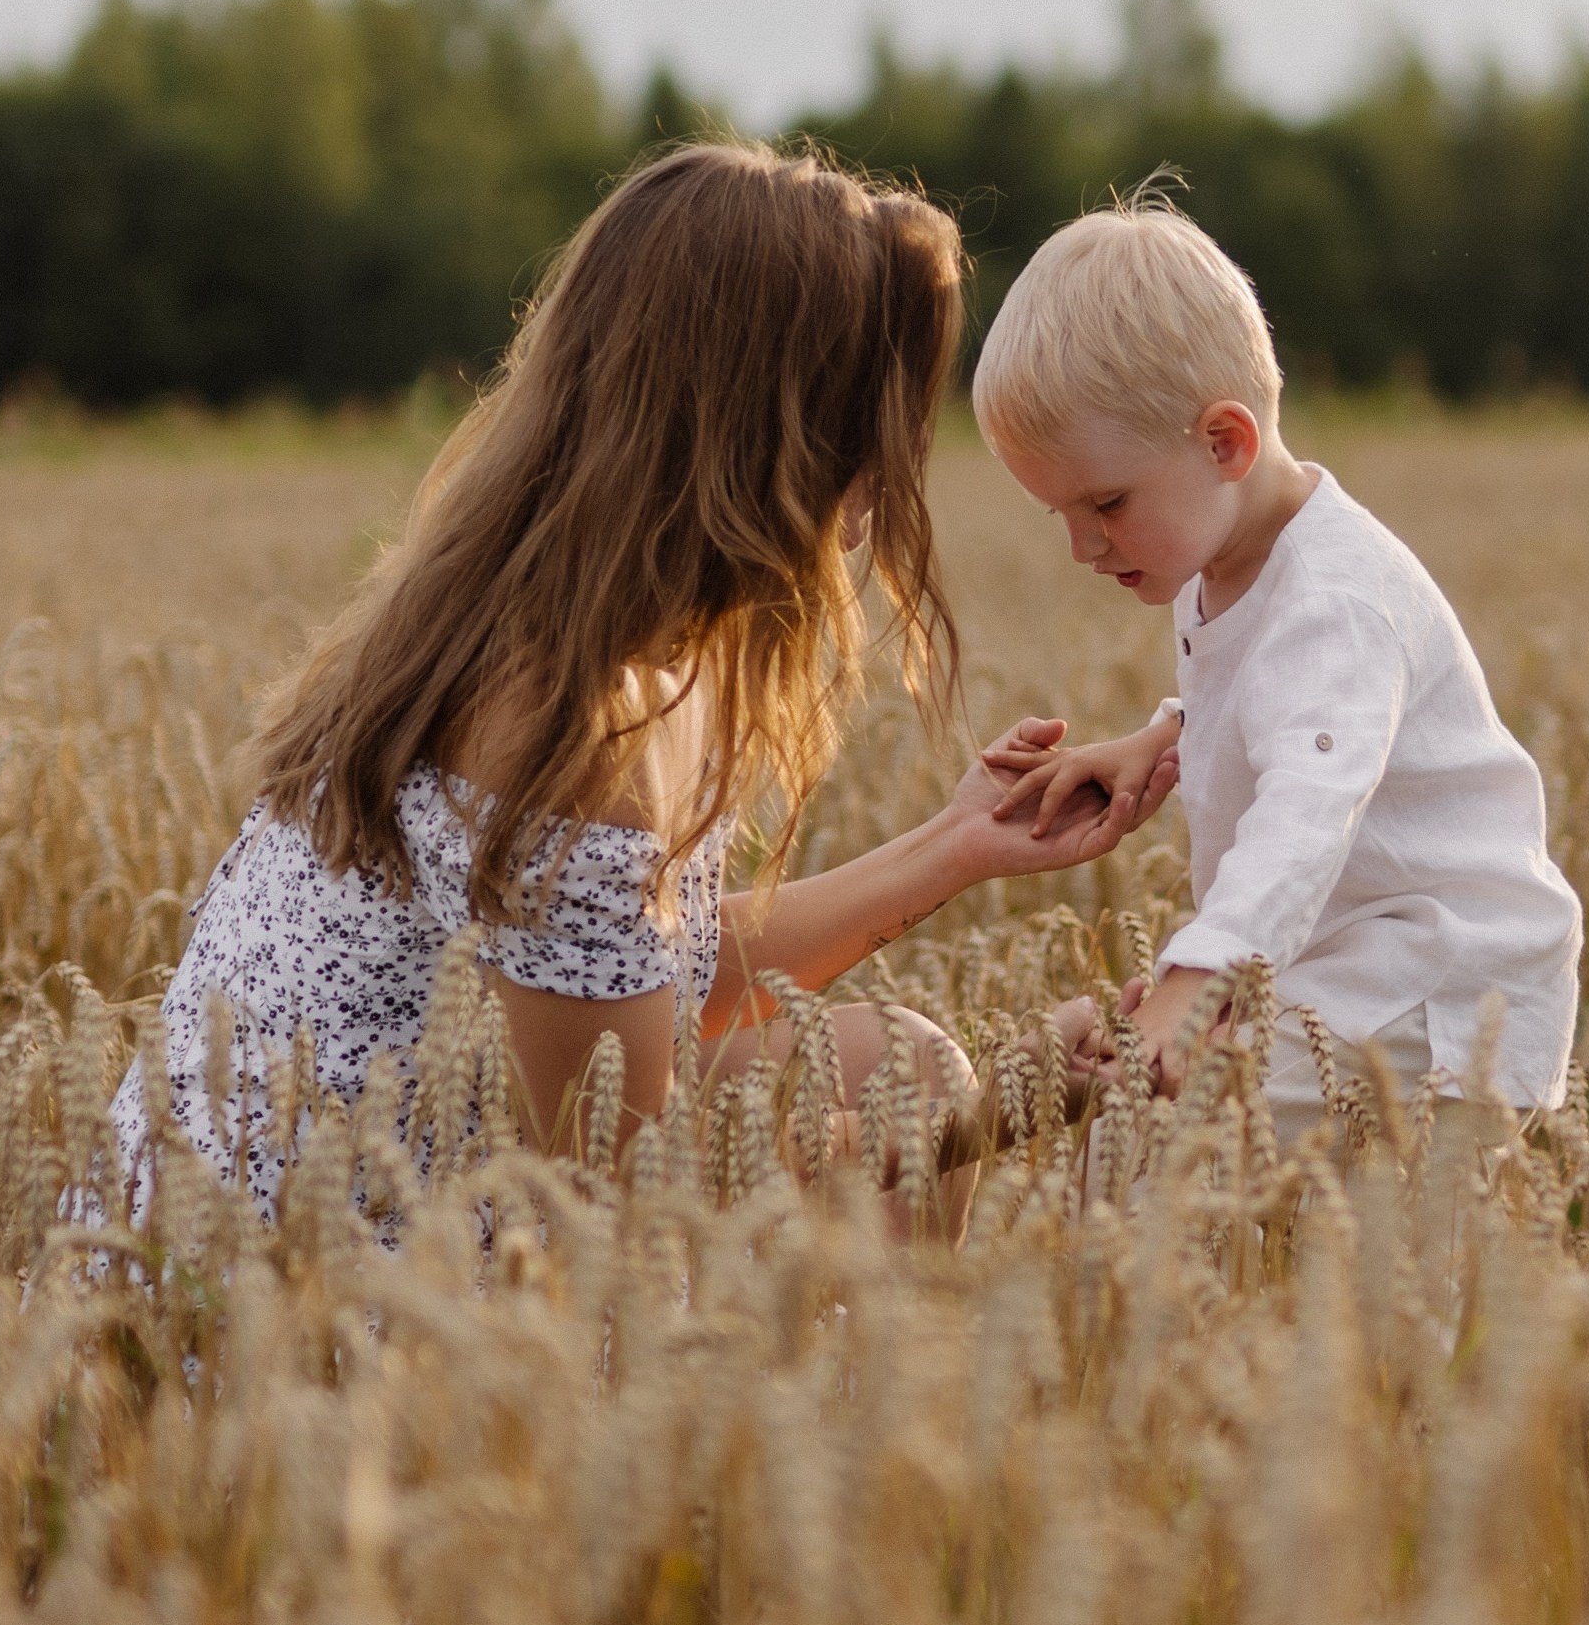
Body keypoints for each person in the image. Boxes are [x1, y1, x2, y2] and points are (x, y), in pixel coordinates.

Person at [110, 139, 1157, 1239]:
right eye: (868, 423)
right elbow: (623, 1180)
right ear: (768, 429)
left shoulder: (575, 625)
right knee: (909, 1100)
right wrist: (1005, 1105)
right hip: (293, 1306)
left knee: (891, 1063)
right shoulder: (560, 726)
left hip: (390, 1175)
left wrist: (957, 844)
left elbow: (649, 982)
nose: (886, 478)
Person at [969, 198, 1581, 1147]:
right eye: (1061, 516)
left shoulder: (1334, 601)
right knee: (1145, 1149)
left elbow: (1307, 811)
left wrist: (1191, 984)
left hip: (1439, 993)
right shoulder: (1221, 552)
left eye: (1105, 503)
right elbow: (1275, 693)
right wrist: (1164, 734)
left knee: (1164, 1143)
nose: (1084, 545)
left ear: (1225, 443)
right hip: (1348, 969)